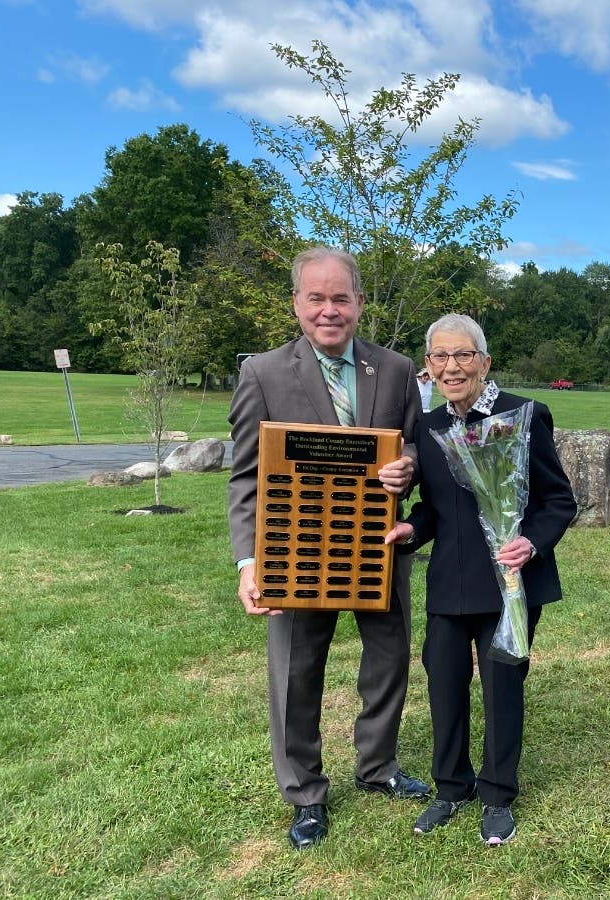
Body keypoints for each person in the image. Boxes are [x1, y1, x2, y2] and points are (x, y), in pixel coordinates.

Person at [228, 246, 430, 852]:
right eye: (315, 297)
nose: (329, 310)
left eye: (340, 297)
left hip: (376, 547)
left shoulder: (394, 371)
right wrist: (248, 561)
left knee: (388, 661)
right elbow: (244, 477)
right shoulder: (262, 373)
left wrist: (407, 471)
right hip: (296, 548)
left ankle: (377, 766)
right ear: (296, 303)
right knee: (295, 671)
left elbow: (415, 450)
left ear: (360, 304)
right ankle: (305, 793)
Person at [385, 313, 576, 846]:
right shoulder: (428, 427)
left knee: (501, 690)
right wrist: (409, 528)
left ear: (484, 362)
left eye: (463, 355)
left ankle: (497, 794)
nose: (452, 366)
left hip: (509, 585)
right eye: (440, 357)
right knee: (444, 686)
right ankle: (451, 787)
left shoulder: (525, 414)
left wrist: (532, 542)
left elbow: (559, 500)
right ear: (428, 367)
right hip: (449, 582)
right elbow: (435, 508)